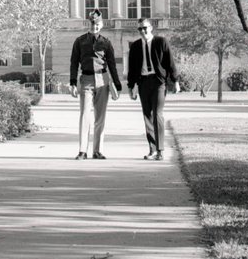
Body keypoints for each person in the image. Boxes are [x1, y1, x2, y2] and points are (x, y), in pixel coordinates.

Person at [68, 10, 121, 159]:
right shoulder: (79, 41)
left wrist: (116, 83)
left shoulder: (106, 42)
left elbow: (111, 64)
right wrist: (72, 82)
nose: (95, 26)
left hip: (102, 80)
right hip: (86, 79)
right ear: (88, 24)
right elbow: (73, 63)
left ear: (102, 24)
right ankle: (82, 150)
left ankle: (97, 150)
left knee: (100, 117)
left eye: (97, 24)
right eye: (92, 24)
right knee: (85, 115)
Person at [126, 17, 180, 161]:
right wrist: (131, 87)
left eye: (145, 28)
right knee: (147, 116)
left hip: (158, 82)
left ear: (151, 28)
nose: (142, 31)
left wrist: (175, 81)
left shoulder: (161, 42)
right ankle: (152, 149)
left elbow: (170, 62)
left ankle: (160, 150)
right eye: (140, 29)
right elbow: (132, 69)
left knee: (157, 114)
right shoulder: (135, 46)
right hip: (143, 83)